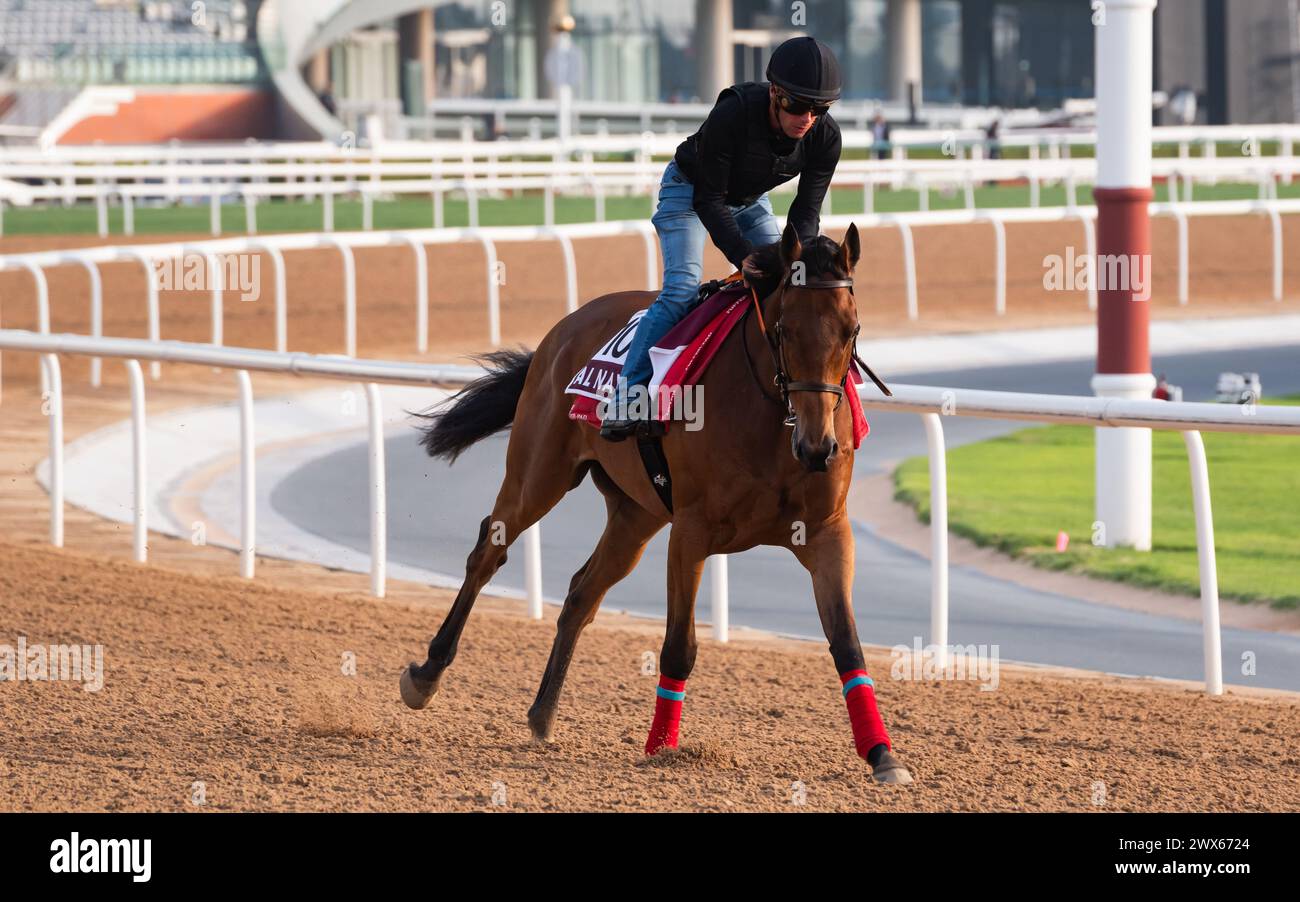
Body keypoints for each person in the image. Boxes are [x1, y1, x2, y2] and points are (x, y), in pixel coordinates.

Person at [599, 36, 843, 440]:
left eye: (820, 109)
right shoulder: (734, 113)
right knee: (681, 288)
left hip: (748, 201)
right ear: (775, 94)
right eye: (798, 105)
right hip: (689, 192)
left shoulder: (826, 138)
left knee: (791, 283)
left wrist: (794, 263)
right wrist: (743, 256)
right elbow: (708, 200)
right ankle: (628, 396)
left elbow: (805, 214)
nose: (808, 119)